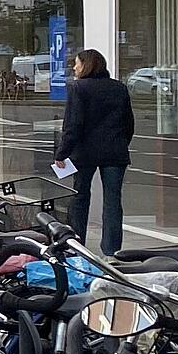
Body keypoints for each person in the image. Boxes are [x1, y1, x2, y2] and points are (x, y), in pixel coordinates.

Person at [54, 48, 135, 253]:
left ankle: (76, 244)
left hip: (84, 153)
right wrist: (121, 143)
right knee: (113, 202)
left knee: (80, 197)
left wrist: (62, 153)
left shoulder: (78, 88)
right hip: (115, 152)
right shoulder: (119, 88)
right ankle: (112, 250)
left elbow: (72, 125)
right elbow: (129, 123)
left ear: (87, 65)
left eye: (77, 63)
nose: (74, 67)